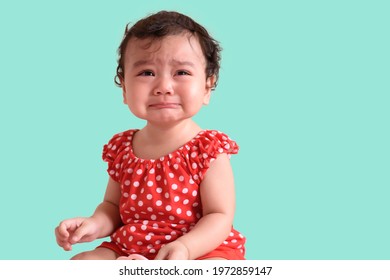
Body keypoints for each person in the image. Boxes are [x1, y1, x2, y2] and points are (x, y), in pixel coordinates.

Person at [55, 10, 246, 260]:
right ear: (124, 88)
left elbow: (219, 216)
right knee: (82, 263)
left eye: (181, 73)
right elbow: (112, 209)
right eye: (147, 73)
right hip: (130, 247)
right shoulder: (122, 148)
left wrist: (186, 249)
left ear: (208, 87)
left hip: (200, 248)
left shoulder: (208, 149)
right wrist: (93, 225)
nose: (163, 87)